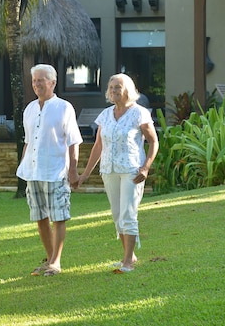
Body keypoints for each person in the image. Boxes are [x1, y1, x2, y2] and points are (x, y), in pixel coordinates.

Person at [77, 73, 159, 273]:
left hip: (132, 170)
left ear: (128, 90)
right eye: (111, 87)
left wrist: (145, 167)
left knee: (128, 214)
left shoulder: (139, 113)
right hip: (109, 169)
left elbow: (153, 142)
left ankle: (128, 262)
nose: (114, 91)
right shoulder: (105, 115)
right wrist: (85, 173)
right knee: (117, 215)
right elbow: (98, 145)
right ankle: (128, 255)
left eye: (118, 87)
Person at [17, 64, 82, 277]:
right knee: (40, 216)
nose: (36, 84)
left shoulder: (64, 107)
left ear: (52, 83)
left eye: (41, 80)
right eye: (34, 80)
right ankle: (50, 258)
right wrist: (24, 166)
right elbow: (28, 142)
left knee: (59, 216)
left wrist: (73, 171)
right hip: (33, 172)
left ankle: (56, 262)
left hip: (55, 171)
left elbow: (74, 142)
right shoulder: (29, 109)